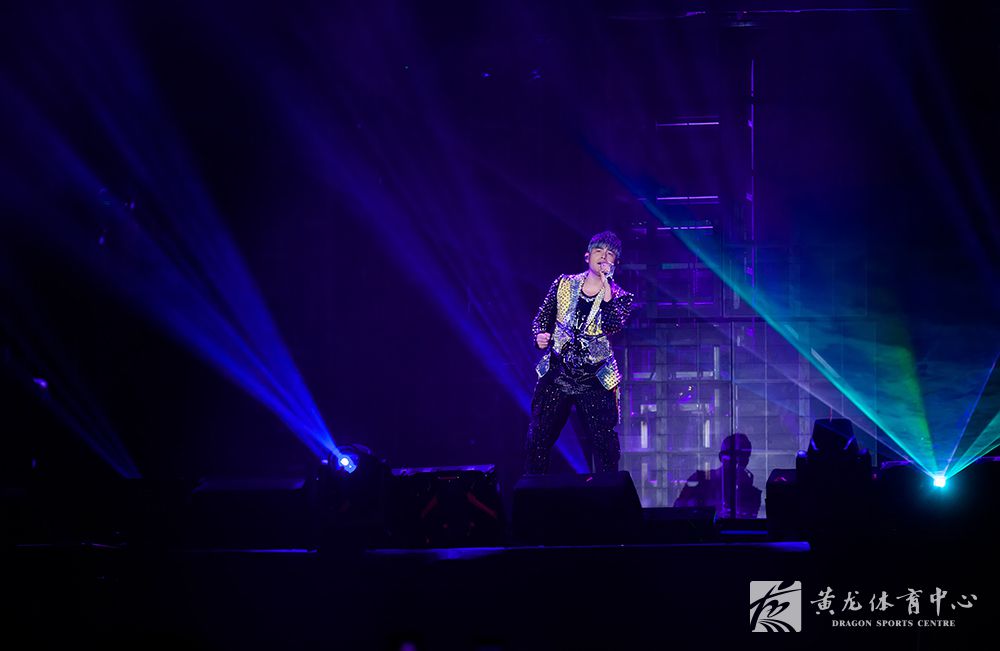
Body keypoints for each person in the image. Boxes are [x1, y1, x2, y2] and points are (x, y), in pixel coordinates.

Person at [524, 231, 634, 474]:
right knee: (539, 436)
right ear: (587, 256)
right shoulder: (563, 284)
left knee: (604, 445)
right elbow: (542, 318)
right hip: (558, 373)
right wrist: (539, 335)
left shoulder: (621, 297)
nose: (603, 257)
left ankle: (606, 492)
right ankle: (535, 487)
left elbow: (612, 325)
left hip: (594, 377)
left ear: (615, 262)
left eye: (610, 254)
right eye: (599, 251)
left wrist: (607, 286)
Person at [673, 433, 762, 519]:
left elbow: (747, 520)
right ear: (721, 457)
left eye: (742, 456)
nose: (737, 462)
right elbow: (679, 509)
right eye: (732, 456)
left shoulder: (751, 493)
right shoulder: (700, 479)